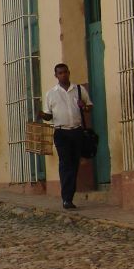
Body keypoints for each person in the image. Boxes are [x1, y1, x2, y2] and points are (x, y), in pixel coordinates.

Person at [41, 63, 92, 210]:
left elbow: (89, 107)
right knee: (65, 164)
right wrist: (42, 115)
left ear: (69, 73)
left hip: (76, 131)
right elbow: (48, 115)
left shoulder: (79, 89)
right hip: (61, 132)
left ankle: (69, 195)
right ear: (56, 75)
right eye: (60, 73)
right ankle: (66, 198)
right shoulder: (51, 93)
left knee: (74, 164)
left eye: (65, 72)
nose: (63, 75)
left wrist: (84, 106)